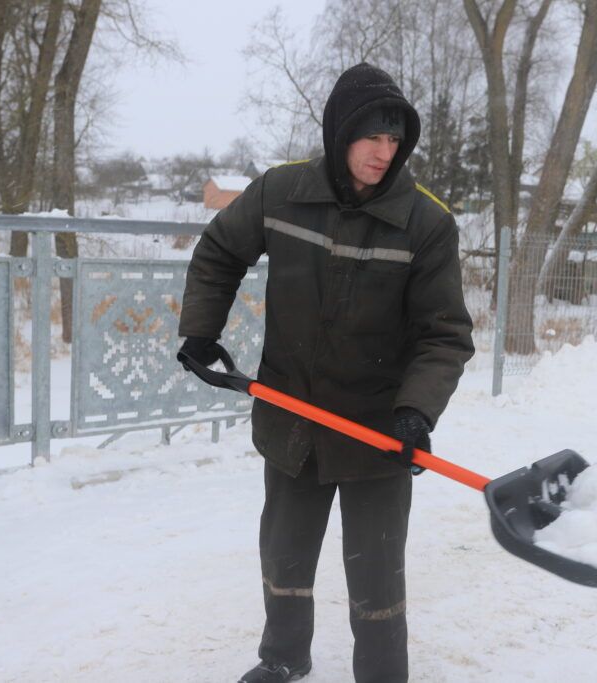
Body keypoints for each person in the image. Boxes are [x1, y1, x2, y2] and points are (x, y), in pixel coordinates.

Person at [178, 62, 474, 683]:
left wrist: (415, 413)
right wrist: (201, 329)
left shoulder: (425, 223)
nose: (383, 153)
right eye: (371, 137)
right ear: (339, 132)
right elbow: (220, 250)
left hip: (377, 428)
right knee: (284, 554)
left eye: (394, 140)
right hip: (291, 414)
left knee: (376, 572)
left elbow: (444, 334)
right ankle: (284, 658)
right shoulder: (282, 192)